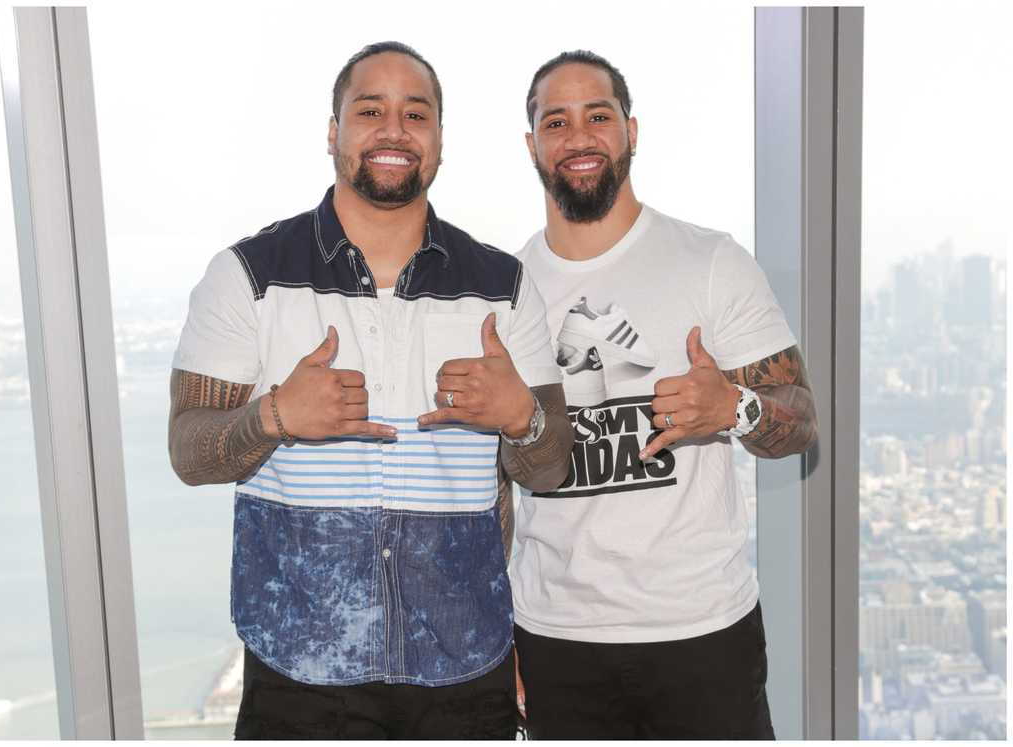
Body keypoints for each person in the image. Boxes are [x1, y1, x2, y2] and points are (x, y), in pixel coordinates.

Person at [166, 41, 572, 739]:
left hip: (463, 674)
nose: (393, 130)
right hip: (298, 676)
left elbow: (552, 464)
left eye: (416, 113)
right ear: (334, 132)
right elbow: (188, 451)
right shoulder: (248, 276)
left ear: (439, 140)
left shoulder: (503, 284)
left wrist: (521, 417)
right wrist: (273, 417)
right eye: (370, 110)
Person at [509, 50, 819, 739]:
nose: (579, 136)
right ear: (531, 144)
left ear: (631, 130)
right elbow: (485, 482)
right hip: (556, 635)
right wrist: (495, 638)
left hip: (702, 629)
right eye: (555, 121)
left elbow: (801, 421)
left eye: (599, 115)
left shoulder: (710, 262)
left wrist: (733, 407)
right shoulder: (506, 289)